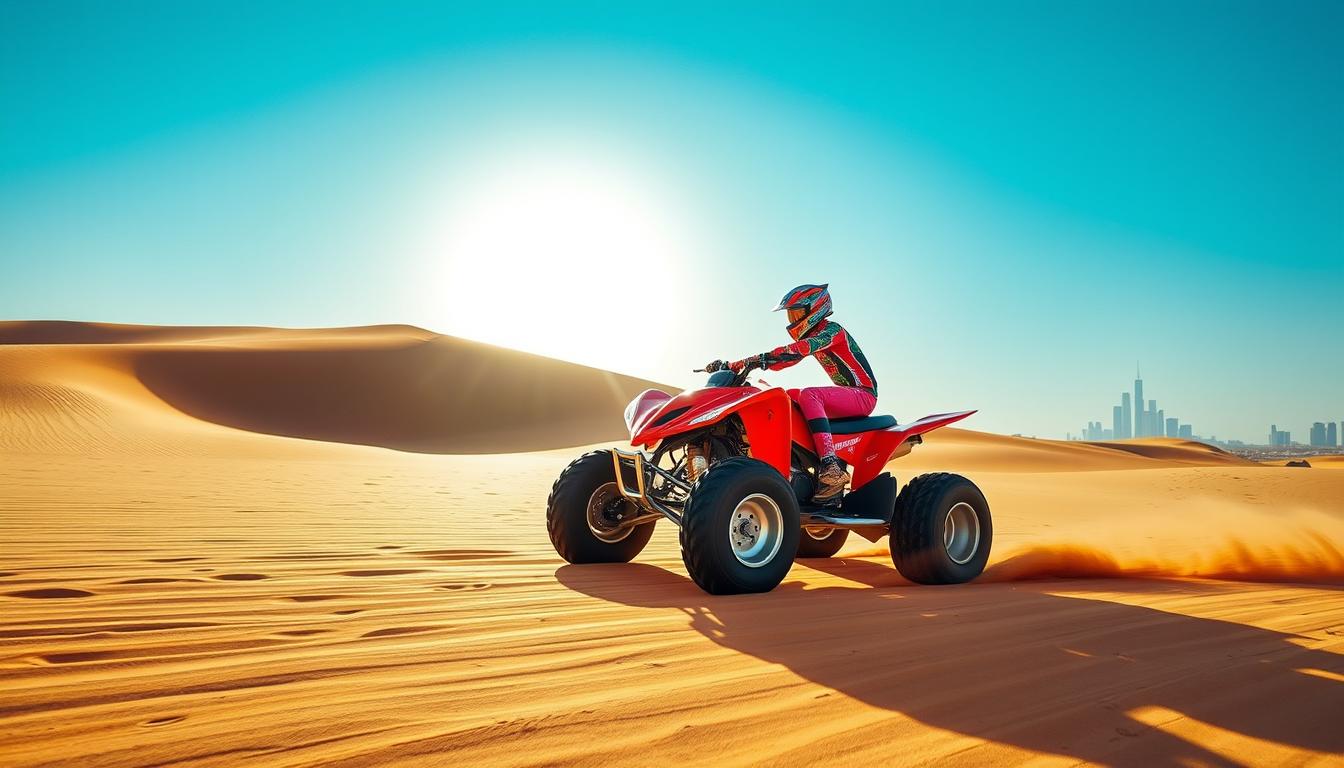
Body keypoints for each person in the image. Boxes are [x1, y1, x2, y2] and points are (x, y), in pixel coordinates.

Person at [705, 284, 878, 502]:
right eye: (790, 314)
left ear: (816, 309)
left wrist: (747, 362)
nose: (792, 319)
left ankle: (831, 466)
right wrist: (733, 365)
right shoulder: (817, 333)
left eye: (796, 313)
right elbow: (786, 361)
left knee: (809, 395)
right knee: (787, 397)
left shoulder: (832, 331)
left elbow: (796, 351)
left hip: (864, 394)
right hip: (849, 394)